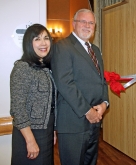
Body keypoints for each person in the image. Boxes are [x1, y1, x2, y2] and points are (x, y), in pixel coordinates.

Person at [51, 9, 109, 165]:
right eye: (83, 21)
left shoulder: (95, 50)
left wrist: (104, 104)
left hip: (94, 121)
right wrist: (87, 111)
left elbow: (101, 80)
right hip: (73, 123)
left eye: (91, 23)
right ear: (73, 24)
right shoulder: (62, 46)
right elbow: (65, 83)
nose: (87, 25)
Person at [10, 24, 56, 165]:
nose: (43, 43)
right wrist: (30, 141)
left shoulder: (46, 68)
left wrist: (53, 129)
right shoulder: (22, 67)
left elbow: (50, 103)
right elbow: (17, 108)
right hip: (29, 133)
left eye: (46, 38)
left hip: (46, 131)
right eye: (37, 39)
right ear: (29, 43)